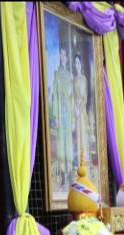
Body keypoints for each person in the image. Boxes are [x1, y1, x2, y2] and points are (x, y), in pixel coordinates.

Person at [50, 46, 73, 188]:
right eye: (61, 55)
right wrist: (56, 116)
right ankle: (63, 173)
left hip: (68, 113)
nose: (62, 57)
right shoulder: (56, 74)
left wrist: (73, 117)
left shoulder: (70, 75)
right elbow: (54, 95)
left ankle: (70, 172)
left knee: (68, 142)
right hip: (60, 112)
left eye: (64, 55)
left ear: (67, 58)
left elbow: (72, 97)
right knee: (61, 143)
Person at [73, 54, 89, 167]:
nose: (77, 65)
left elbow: (85, 98)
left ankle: (84, 159)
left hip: (82, 111)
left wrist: (79, 109)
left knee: (83, 133)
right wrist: (75, 108)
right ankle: (79, 158)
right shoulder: (74, 80)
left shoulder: (84, 79)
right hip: (76, 110)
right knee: (77, 134)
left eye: (78, 62)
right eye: (75, 63)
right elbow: (74, 96)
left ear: (81, 64)